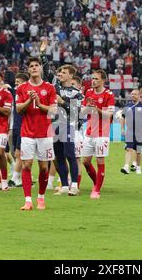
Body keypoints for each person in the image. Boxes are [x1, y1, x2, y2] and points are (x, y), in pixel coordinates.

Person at [16, 57, 57, 210]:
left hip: (45, 133)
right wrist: (29, 100)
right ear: (28, 70)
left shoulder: (50, 88)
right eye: (31, 66)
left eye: (36, 65)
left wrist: (39, 103)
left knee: (44, 167)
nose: (34, 68)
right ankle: (28, 200)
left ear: (41, 68)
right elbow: (19, 109)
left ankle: (41, 197)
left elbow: (53, 111)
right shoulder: (22, 88)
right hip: (27, 133)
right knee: (26, 164)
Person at [80, 69, 115, 199]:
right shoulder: (88, 92)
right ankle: (97, 183)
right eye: (92, 78)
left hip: (102, 133)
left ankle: (97, 190)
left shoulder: (108, 94)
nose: (93, 81)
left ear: (103, 80)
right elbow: (82, 113)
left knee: (100, 160)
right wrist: (88, 107)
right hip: (89, 132)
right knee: (86, 161)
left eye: (96, 79)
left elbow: (109, 115)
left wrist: (96, 109)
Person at [52, 64, 84, 196]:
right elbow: (48, 73)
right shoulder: (55, 88)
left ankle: (75, 185)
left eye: (64, 72)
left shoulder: (77, 93)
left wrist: (62, 101)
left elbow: (76, 110)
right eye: (60, 72)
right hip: (54, 125)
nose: (61, 74)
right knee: (59, 157)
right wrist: (42, 54)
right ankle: (64, 185)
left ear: (71, 76)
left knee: (70, 155)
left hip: (69, 125)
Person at [120, 89, 142, 175]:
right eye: (132, 94)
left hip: (140, 132)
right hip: (129, 131)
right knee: (128, 149)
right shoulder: (127, 106)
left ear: (139, 95)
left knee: (139, 151)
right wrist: (122, 129)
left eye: (135, 94)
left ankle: (139, 167)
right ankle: (126, 167)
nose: (133, 96)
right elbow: (122, 118)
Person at [8, 72, 28, 188]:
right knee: (16, 154)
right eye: (15, 83)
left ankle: (14, 179)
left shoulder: (27, 94)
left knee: (19, 154)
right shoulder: (16, 93)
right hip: (15, 126)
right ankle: (20, 179)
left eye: (18, 82)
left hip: (23, 127)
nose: (16, 85)